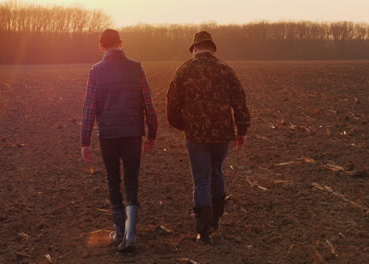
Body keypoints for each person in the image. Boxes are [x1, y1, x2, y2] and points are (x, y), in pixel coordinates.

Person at [167, 31, 251, 245]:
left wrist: (184, 126)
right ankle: (216, 218)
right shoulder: (225, 70)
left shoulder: (184, 70)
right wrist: (242, 130)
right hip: (222, 134)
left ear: (194, 49)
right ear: (212, 48)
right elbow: (239, 102)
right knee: (216, 172)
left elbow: (172, 104)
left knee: (201, 180)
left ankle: (203, 230)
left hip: (195, 135)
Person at [80, 28, 158, 252]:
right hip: (133, 132)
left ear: (101, 46)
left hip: (108, 135)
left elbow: (89, 108)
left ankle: (120, 232)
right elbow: (149, 103)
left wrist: (85, 141)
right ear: (121, 43)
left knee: (113, 180)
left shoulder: (96, 71)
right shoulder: (136, 68)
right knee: (132, 180)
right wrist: (151, 133)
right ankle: (131, 232)